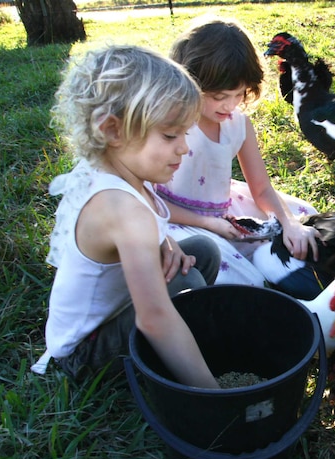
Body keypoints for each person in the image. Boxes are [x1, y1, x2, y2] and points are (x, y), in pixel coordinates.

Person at [31, 45, 221, 389]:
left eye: (185, 134)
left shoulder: (113, 170)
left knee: (202, 252)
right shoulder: (123, 209)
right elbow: (153, 318)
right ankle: (183, 367)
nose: (184, 148)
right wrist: (214, 392)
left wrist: (165, 241)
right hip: (84, 356)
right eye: (169, 135)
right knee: (188, 287)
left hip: (116, 308)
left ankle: (187, 340)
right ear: (113, 130)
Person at [156, 16, 322, 292]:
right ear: (190, 81)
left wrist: (289, 223)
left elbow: (262, 189)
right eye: (220, 96)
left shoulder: (238, 124)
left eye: (239, 94)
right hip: (176, 217)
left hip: (224, 208)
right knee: (237, 279)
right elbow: (147, 200)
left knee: (304, 216)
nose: (231, 105)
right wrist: (209, 223)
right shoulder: (172, 126)